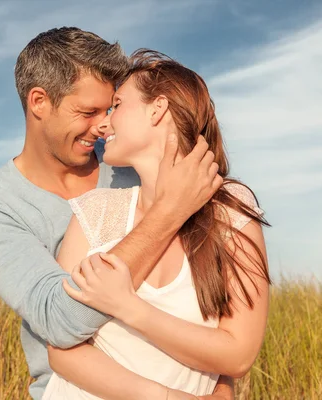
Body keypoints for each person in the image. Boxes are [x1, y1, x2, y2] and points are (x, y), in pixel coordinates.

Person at [0, 28, 232, 399]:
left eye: (111, 108)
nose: (103, 126)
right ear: (39, 101)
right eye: (87, 112)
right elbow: (58, 319)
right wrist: (168, 211)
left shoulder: (131, 165)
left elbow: (207, 283)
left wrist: (221, 383)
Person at [43, 50, 271, 399]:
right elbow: (60, 348)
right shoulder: (96, 210)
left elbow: (238, 354)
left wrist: (128, 307)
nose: (103, 124)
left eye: (116, 105)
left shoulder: (230, 210)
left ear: (158, 108)